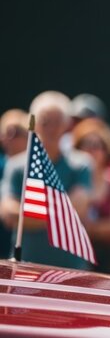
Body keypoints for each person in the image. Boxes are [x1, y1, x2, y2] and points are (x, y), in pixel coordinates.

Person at [0, 91, 93, 269]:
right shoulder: (17, 166)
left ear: (66, 125)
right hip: (25, 268)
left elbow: (78, 207)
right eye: (44, 121)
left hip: (71, 269)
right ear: (33, 123)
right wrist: (60, 212)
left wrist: (30, 215)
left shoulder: (81, 164)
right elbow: (9, 214)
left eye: (57, 122)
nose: (51, 128)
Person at [71, 118, 110, 274]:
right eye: (86, 144)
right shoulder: (70, 179)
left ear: (106, 150)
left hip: (106, 259)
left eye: (97, 145)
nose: (91, 151)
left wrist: (86, 229)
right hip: (73, 255)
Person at [0, 109, 29, 258]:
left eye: (16, 132)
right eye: (6, 132)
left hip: (20, 250)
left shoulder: (36, 171)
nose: (9, 137)